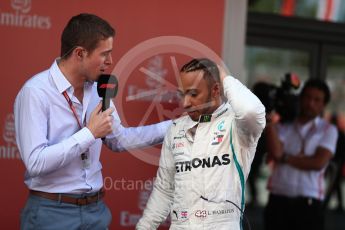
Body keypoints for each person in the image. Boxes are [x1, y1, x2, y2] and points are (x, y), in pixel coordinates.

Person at [14, 13, 171, 230]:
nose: (110, 61)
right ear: (80, 53)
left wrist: (176, 125)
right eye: (105, 54)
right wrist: (89, 133)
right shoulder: (36, 92)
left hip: (95, 211)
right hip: (51, 212)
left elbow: (120, 140)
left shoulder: (98, 90)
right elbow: (35, 162)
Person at [136, 58, 266, 229]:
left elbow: (250, 111)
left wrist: (224, 77)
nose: (185, 103)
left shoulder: (237, 125)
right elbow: (164, 189)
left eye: (194, 94)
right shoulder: (176, 128)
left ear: (216, 90)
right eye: (182, 94)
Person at [264, 79, 338, 230]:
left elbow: (318, 163)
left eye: (317, 100)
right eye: (307, 97)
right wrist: (269, 119)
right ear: (301, 99)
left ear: (323, 104)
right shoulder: (283, 126)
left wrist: (285, 158)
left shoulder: (328, 129)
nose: (311, 103)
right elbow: (276, 152)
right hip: (278, 200)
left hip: (309, 204)